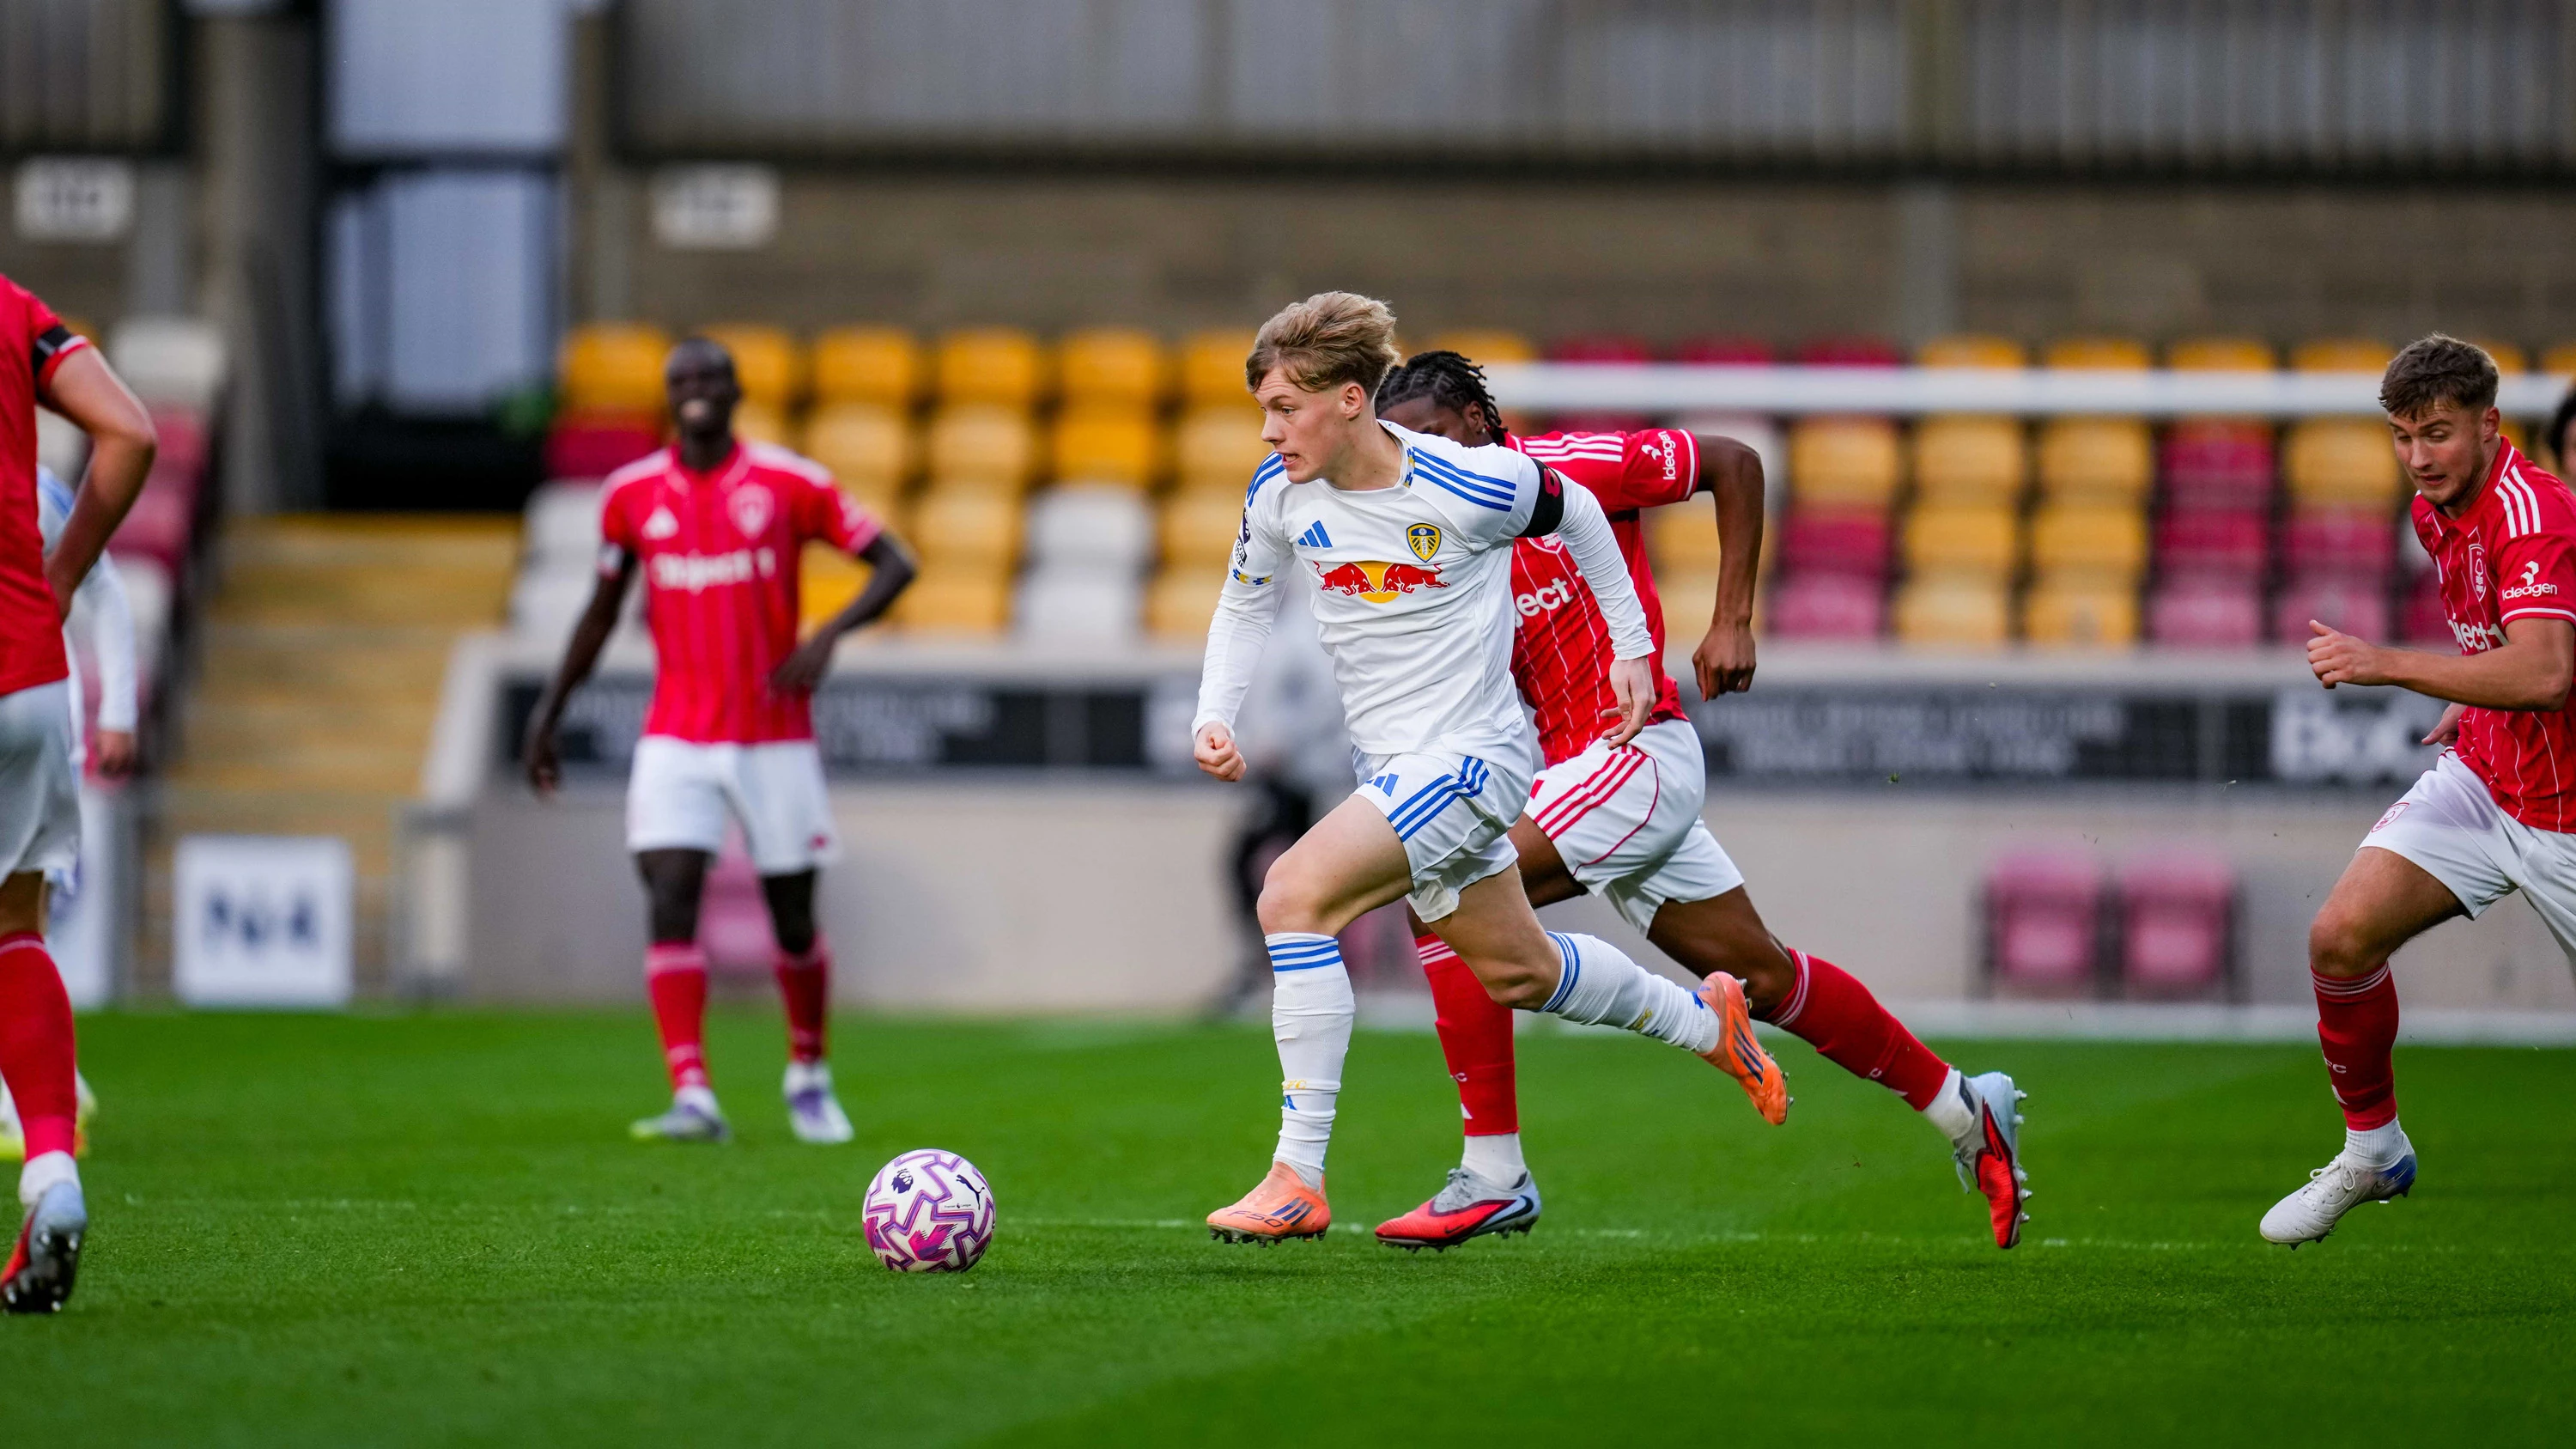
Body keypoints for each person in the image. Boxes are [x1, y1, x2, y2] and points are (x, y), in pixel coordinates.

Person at [1368, 351, 2031, 1251]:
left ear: (1482, 421)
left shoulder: (1569, 468)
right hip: (1578, 778)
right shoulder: (1441, 523)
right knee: (1765, 976)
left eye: (1435, 435)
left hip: (1637, 754)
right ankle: (1965, 1108)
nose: (1422, 456)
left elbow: (1734, 461)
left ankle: (1494, 1173)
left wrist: (1733, 618)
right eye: (1403, 444)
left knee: (1441, 889)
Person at [1192, 293, 1787, 1245]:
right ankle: (1705, 1024)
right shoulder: (1279, 495)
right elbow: (1244, 605)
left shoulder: (1466, 483)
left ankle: (1296, 1174)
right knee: (1518, 968)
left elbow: (1582, 511)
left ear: (1352, 400)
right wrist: (1214, 714)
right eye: (1264, 410)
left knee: (1291, 893)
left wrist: (1634, 651)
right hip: (1392, 766)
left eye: (1286, 409)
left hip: (1474, 762)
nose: (1271, 431)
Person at [524, 337, 915, 1146]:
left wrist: (828, 634)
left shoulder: (788, 483)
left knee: (794, 918)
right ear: (668, 398)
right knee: (668, 891)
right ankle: (692, 1092)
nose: (695, 390)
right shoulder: (630, 495)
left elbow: (893, 563)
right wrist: (550, 710)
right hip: (676, 733)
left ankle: (807, 1073)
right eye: (680, 381)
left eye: (709, 378)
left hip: (773, 734)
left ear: (736, 391)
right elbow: (601, 611)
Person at [2273, 334, 2576, 1245]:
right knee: (2341, 935)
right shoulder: (2436, 507)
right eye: (2403, 437)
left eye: (2436, 434)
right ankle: (2373, 1149)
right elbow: (2509, 656)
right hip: (2489, 780)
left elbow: (2549, 674)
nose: (2417, 457)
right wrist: (2468, 697)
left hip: (2569, 817)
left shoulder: (2534, 512)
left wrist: (2392, 667)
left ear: (2489, 423)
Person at [0, 271, 155, 1312]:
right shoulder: (13, 309)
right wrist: (55, 576)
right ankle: (51, 1169)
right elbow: (132, 434)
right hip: (22, 668)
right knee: (16, 927)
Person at [0, 463, 133, 1161]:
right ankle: (54, 1088)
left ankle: (24, 1104)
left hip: (37, 718)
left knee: (24, 916)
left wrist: (120, 710)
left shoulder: (40, 489)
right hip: (34, 716)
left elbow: (104, 591)